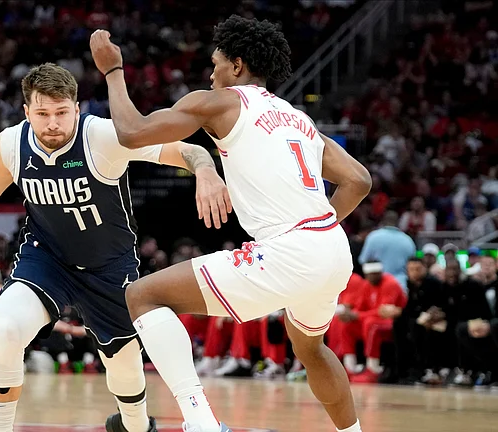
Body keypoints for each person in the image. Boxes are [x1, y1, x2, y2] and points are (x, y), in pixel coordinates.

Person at [0, 63, 229, 432]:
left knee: (124, 367)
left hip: (110, 266)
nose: (53, 123)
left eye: (62, 113)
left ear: (77, 109)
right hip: (47, 259)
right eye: (43, 114)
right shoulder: (11, 144)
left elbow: (185, 150)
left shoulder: (102, 136)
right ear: (27, 111)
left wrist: (205, 170)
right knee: (6, 329)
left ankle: (136, 426)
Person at [90, 15, 372, 432]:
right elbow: (359, 180)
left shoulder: (220, 102)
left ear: (237, 66)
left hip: (290, 249)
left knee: (142, 296)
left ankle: (200, 422)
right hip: (332, 247)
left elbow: (132, 133)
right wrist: (315, 231)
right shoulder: (299, 119)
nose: (211, 73)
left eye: (216, 63)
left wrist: (112, 70)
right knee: (310, 348)